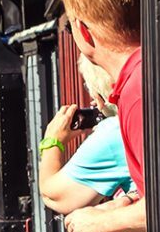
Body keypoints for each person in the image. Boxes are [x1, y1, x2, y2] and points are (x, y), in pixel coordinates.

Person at [56, 0, 147, 232]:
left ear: (84, 31)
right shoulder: (145, 74)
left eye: (72, 27)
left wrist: (103, 222)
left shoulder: (136, 93)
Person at [38, 56, 131, 215]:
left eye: (89, 88)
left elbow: (53, 196)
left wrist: (52, 141)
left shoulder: (113, 133)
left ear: (101, 95)